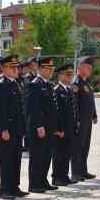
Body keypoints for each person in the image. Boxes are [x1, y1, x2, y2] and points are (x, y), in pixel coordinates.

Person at [0, 55, 27, 199]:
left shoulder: (15, 83)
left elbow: (20, 108)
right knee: (7, 159)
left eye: (16, 67)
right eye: (12, 67)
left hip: (17, 127)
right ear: (4, 68)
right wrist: (3, 129)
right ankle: (5, 189)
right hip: (7, 128)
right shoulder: (1, 84)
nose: (15, 70)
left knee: (16, 158)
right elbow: (0, 110)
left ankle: (14, 186)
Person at [23, 57, 57, 192]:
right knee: (37, 156)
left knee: (46, 155)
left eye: (51, 69)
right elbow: (34, 108)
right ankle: (34, 184)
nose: (50, 72)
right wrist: (39, 126)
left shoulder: (48, 84)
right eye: (48, 69)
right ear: (40, 69)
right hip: (39, 127)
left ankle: (43, 181)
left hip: (48, 126)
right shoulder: (34, 84)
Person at [70, 56, 98, 181]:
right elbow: (74, 102)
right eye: (88, 67)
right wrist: (77, 119)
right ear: (80, 67)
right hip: (80, 120)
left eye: (91, 67)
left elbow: (90, 100)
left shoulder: (85, 82)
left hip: (87, 120)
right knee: (78, 147)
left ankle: (83, 170)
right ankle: (76, 173)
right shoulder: (76, 82)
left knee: (85, 146)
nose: (90, 69)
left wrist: (94, 115)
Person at [50, 63, 78, 186]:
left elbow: (73, 109)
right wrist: (58, 128)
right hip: (61, 129)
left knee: (67, 153)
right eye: (68, 75)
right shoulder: (57, 90)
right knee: (59, 153)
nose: (70, 77)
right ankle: (57, 177)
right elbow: (56, 112)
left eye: (71, 75)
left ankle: (64, 175)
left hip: (69, 127)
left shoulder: (68, 90)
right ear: (60, 76)